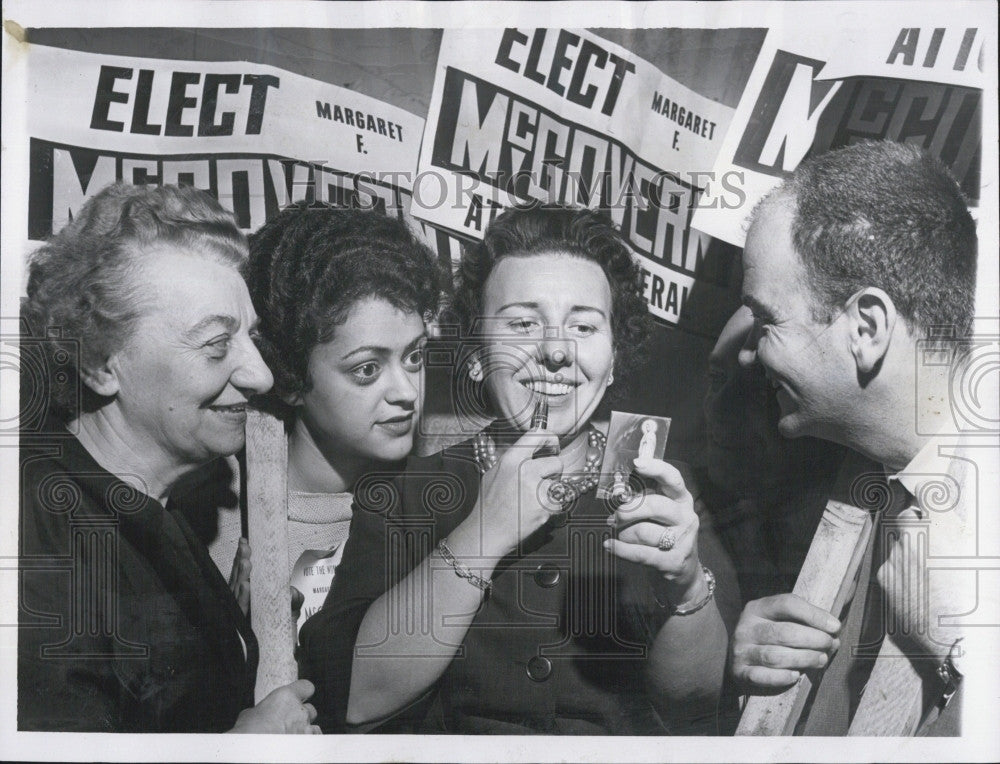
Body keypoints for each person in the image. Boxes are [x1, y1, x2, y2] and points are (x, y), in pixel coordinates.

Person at [300, 205, 740, 734]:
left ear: (614, 355)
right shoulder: (405, 495)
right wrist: (486, 532)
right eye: (523, 323)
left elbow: (696, 708)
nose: (555, 350)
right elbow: (353, 699)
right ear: (478, 353)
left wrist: (685, 583)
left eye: (583, 325)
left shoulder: (671, 494)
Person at [18, 182, 320, 733]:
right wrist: (242, 747)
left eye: (249, 337)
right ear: (101, 363)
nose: (261, 375)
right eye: (215, 345)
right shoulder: (32, 536)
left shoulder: (154, 504)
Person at [730, 140, 982, 735]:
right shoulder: (859, 482)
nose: (747, 354)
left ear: (866, 328)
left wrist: (964, 649)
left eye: (766, 321)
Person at [241, 203, 442, 631]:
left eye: (414, 357)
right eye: (367, 369)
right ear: (290, 378)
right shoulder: (217, 526)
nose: (406, 393)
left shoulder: (434, 507)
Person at [699, 306, 847, 603]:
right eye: (717, 378)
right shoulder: (682, 521)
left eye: (759, 388)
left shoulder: (848, 544)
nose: (718, 409)